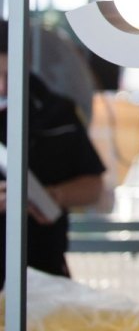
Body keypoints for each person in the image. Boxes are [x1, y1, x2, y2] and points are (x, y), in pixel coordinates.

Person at [0, 20, 106, 288]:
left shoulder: (58, 113)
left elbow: (93, 187)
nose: (3, 87)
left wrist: (51, 196)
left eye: (9, 75)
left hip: (43, 272)